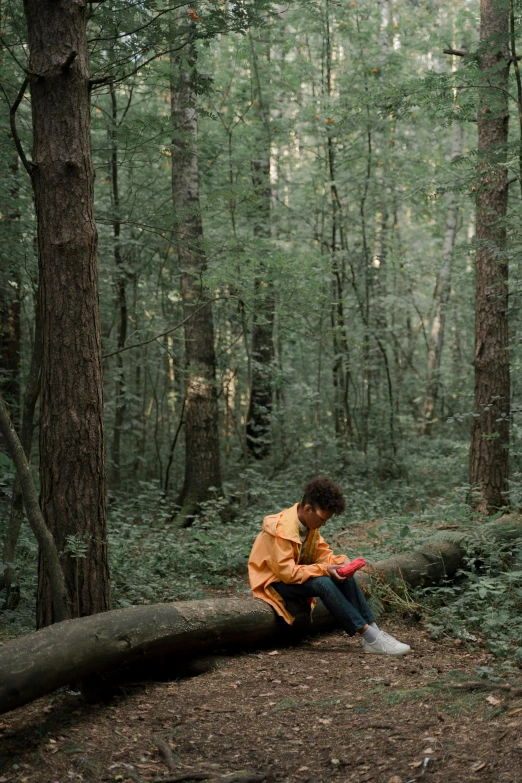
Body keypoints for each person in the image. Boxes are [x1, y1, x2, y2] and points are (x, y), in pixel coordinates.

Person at [248, 476, 411, 656]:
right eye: (322, 519)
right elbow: (287, 573)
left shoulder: (310, 525)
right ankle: (369, 635)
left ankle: (374, 632)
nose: (324, 523)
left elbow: (322, 554)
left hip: (296, 575)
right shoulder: (283, 529)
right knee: (323, 583)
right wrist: (325, 569)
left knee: (343, 577)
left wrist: (341, 563)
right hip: (274, 582)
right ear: (308, 509)